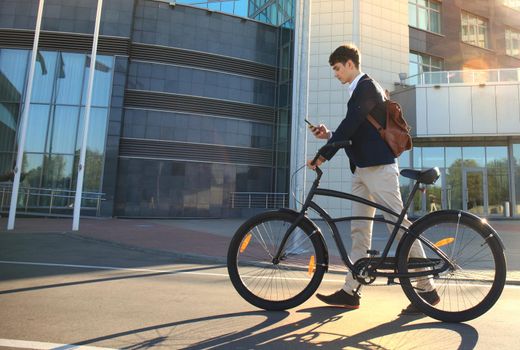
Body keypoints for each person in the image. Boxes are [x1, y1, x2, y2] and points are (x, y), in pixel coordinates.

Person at [306, 44, 439, 314]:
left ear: (350, 64)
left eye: (337, 69)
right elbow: (357, 131)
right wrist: (329, 135)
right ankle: (350, 291)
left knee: (397, 226)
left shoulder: (367, 86)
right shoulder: (356, 91)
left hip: (379, 169)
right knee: (359, 231)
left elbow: (352, 124)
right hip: (362, 170)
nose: (336, 74)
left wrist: (323, 154)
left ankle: (427, 290)